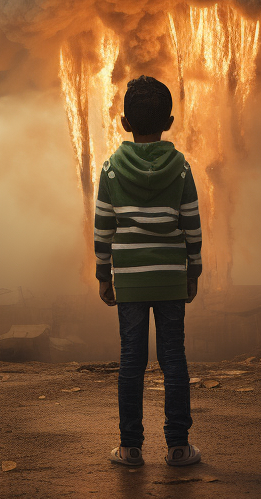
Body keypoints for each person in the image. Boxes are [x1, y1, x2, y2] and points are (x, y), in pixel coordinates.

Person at [93, 74, 203, 469]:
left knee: (131, 360)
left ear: (124, 122)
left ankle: (130, 448)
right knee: (173, 358)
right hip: (171, 276)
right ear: (169, 121)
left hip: (132, 281)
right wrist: (194, 270)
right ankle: (177, 447)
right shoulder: (182, 170)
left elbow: (103, 226)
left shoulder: (109, 170)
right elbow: (191, 223)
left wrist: (103, 273)